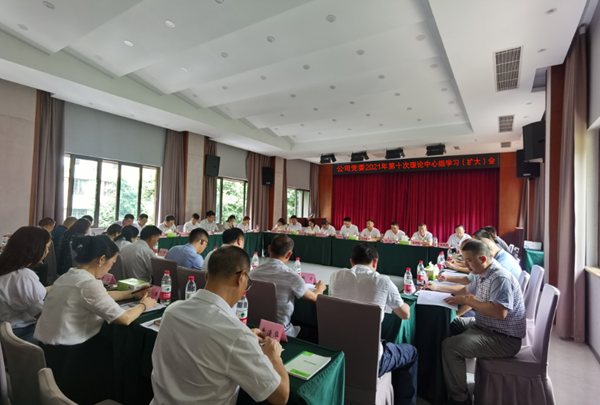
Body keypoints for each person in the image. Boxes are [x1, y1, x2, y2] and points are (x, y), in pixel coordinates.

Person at [150, 246, 290, 405]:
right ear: (241, 278)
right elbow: (281, 396)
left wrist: (246, 338)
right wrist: (273, 355)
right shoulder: (236, 335)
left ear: (206, 277)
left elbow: (205, 337)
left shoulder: (172, 311)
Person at [35, 235, 157, 404]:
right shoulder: (88, 284)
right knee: (124, 356)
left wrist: (133, 294)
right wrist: (144, 304)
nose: (110, 267)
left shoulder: (68, 276)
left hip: (51, 350)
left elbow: (102, 295)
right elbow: (125, 318)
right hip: (70, 356)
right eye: (112, 263)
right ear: (101, 259)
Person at [432, 240, 525, 405]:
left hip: (503, 338)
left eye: (469, 260)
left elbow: (500, 313)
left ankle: (460, 399)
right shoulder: (484, 272)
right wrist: (437, 287)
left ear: (482, 258)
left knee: (450, 347)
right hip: (485, 326)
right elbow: (465, 290)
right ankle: (443, 379)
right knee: (450, 323)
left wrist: (468, 300)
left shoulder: (499, 277)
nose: (466, 265)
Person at [329, 244, 418, 405]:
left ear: (351, 262)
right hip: (371, 361)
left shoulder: (335, 277)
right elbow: (405, 314)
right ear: (375, 262)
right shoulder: (383, 281)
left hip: (337, 353)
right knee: (411, 352)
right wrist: (400, 301)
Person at [251, 235, 326, 338]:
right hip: (282, 334)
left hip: (256, 329)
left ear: (269, 249)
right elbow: (315, 299)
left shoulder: (252, 273)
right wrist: (321, 288)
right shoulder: (291, 276)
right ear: (289, 254)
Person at [0, 227, 51, 343]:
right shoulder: (23, 276)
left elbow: (16, 293)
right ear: (36, 249)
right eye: (47, 248)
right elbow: (41, 314)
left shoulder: (7, 268)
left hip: (6, 330)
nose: (47, 252)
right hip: (21, 332)